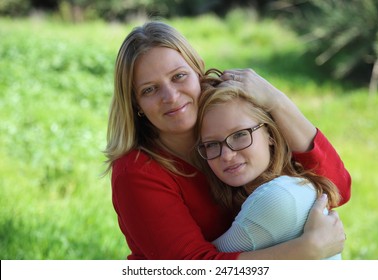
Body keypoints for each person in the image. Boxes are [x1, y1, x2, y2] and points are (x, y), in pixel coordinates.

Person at [104, 20, 351, 260]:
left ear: (197, 69)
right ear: (136, 103)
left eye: (179, 76)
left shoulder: (233, 113)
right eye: (149, 89)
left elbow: (337, 188)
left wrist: (276, 101)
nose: (170, 96)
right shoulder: (136, 172)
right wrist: (305, 252)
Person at [194, 73, 343, 259]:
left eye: (240, 135)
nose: (227, 155)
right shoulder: (294, 184)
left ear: (270, 133)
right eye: (212, 144)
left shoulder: (278, 197)